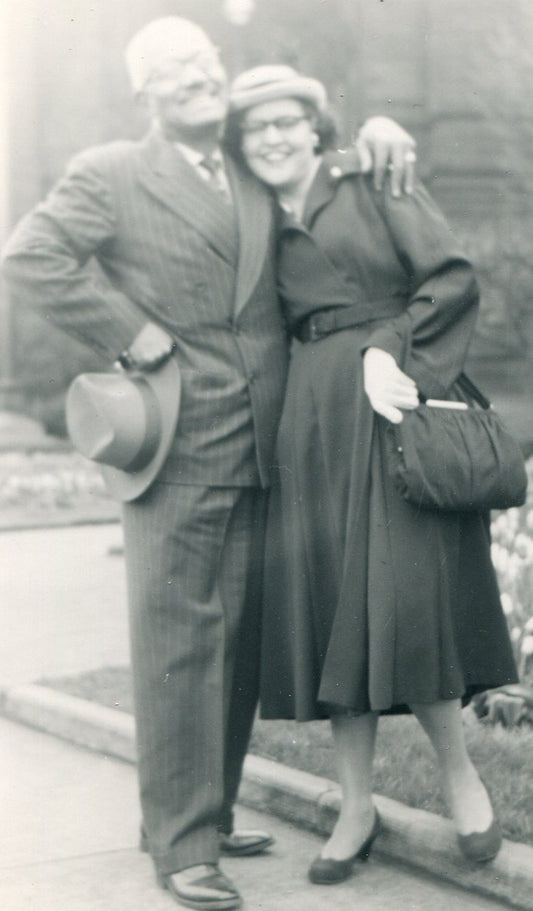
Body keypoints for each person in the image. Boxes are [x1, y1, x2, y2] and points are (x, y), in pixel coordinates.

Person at [1, 19, 416, 910]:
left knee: (236, 643)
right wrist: (133, 334)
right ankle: (181, 843)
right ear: (142, 93)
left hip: (269, 438)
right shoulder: (112, 170)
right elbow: (29, 254)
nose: (195, 76)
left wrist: (376, 129)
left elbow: (318, 158)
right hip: (178, 441)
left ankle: (209, 811)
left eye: (203, 62)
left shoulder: (247, 163)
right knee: (179, 647)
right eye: (170, 69)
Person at [227, 65, 519, 885]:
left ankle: (459, 776)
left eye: (288, 121)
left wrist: (386, 352)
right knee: (332, 610)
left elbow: (451, 275)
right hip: (310, 426)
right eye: (257, 128)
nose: (275, 137)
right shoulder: (250, 214)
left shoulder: (371, 176)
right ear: (241, 144)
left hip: (391, 401)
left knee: (403, 599)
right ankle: (355, 805)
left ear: (316, 126)